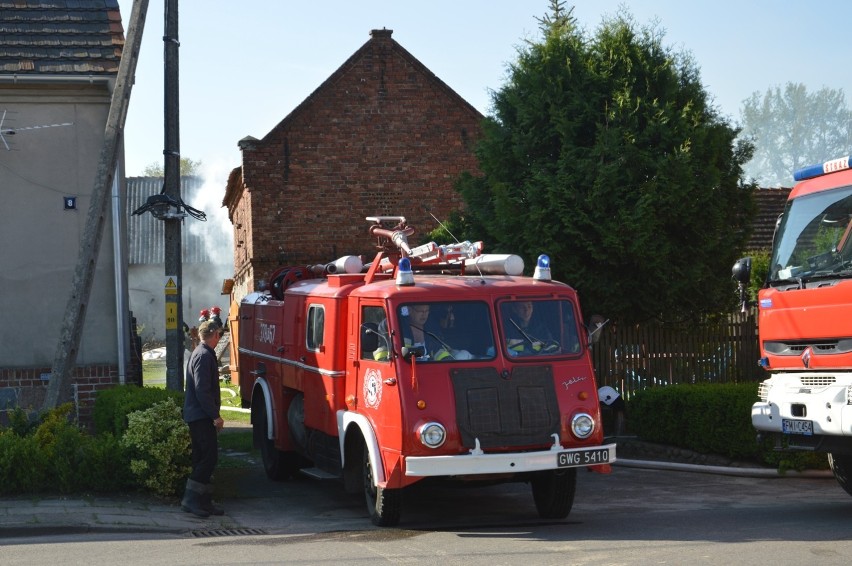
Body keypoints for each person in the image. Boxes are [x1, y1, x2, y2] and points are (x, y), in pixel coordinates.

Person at [181, 319, 225, 518]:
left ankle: (204, 502)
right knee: (208, 458)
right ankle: (191, 500)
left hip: (197, 415)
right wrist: (215, 416)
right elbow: (202, 389)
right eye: (219, 335)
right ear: (214, 335)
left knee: (202, 458)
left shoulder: (199, 353)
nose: (219, 338)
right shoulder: (204, 356)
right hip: (201, 416)